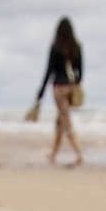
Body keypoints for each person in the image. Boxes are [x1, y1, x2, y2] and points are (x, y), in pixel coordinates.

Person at [34, 17, 83, 167]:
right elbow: (80, 71)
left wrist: (41, 91)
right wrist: (76, 85)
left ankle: (79, 153)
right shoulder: (76, 47)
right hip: (71, 86)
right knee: (60, 120)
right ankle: (54, 153)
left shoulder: (55, 47)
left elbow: (49, 71)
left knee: (65, 120)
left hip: (59, 87)